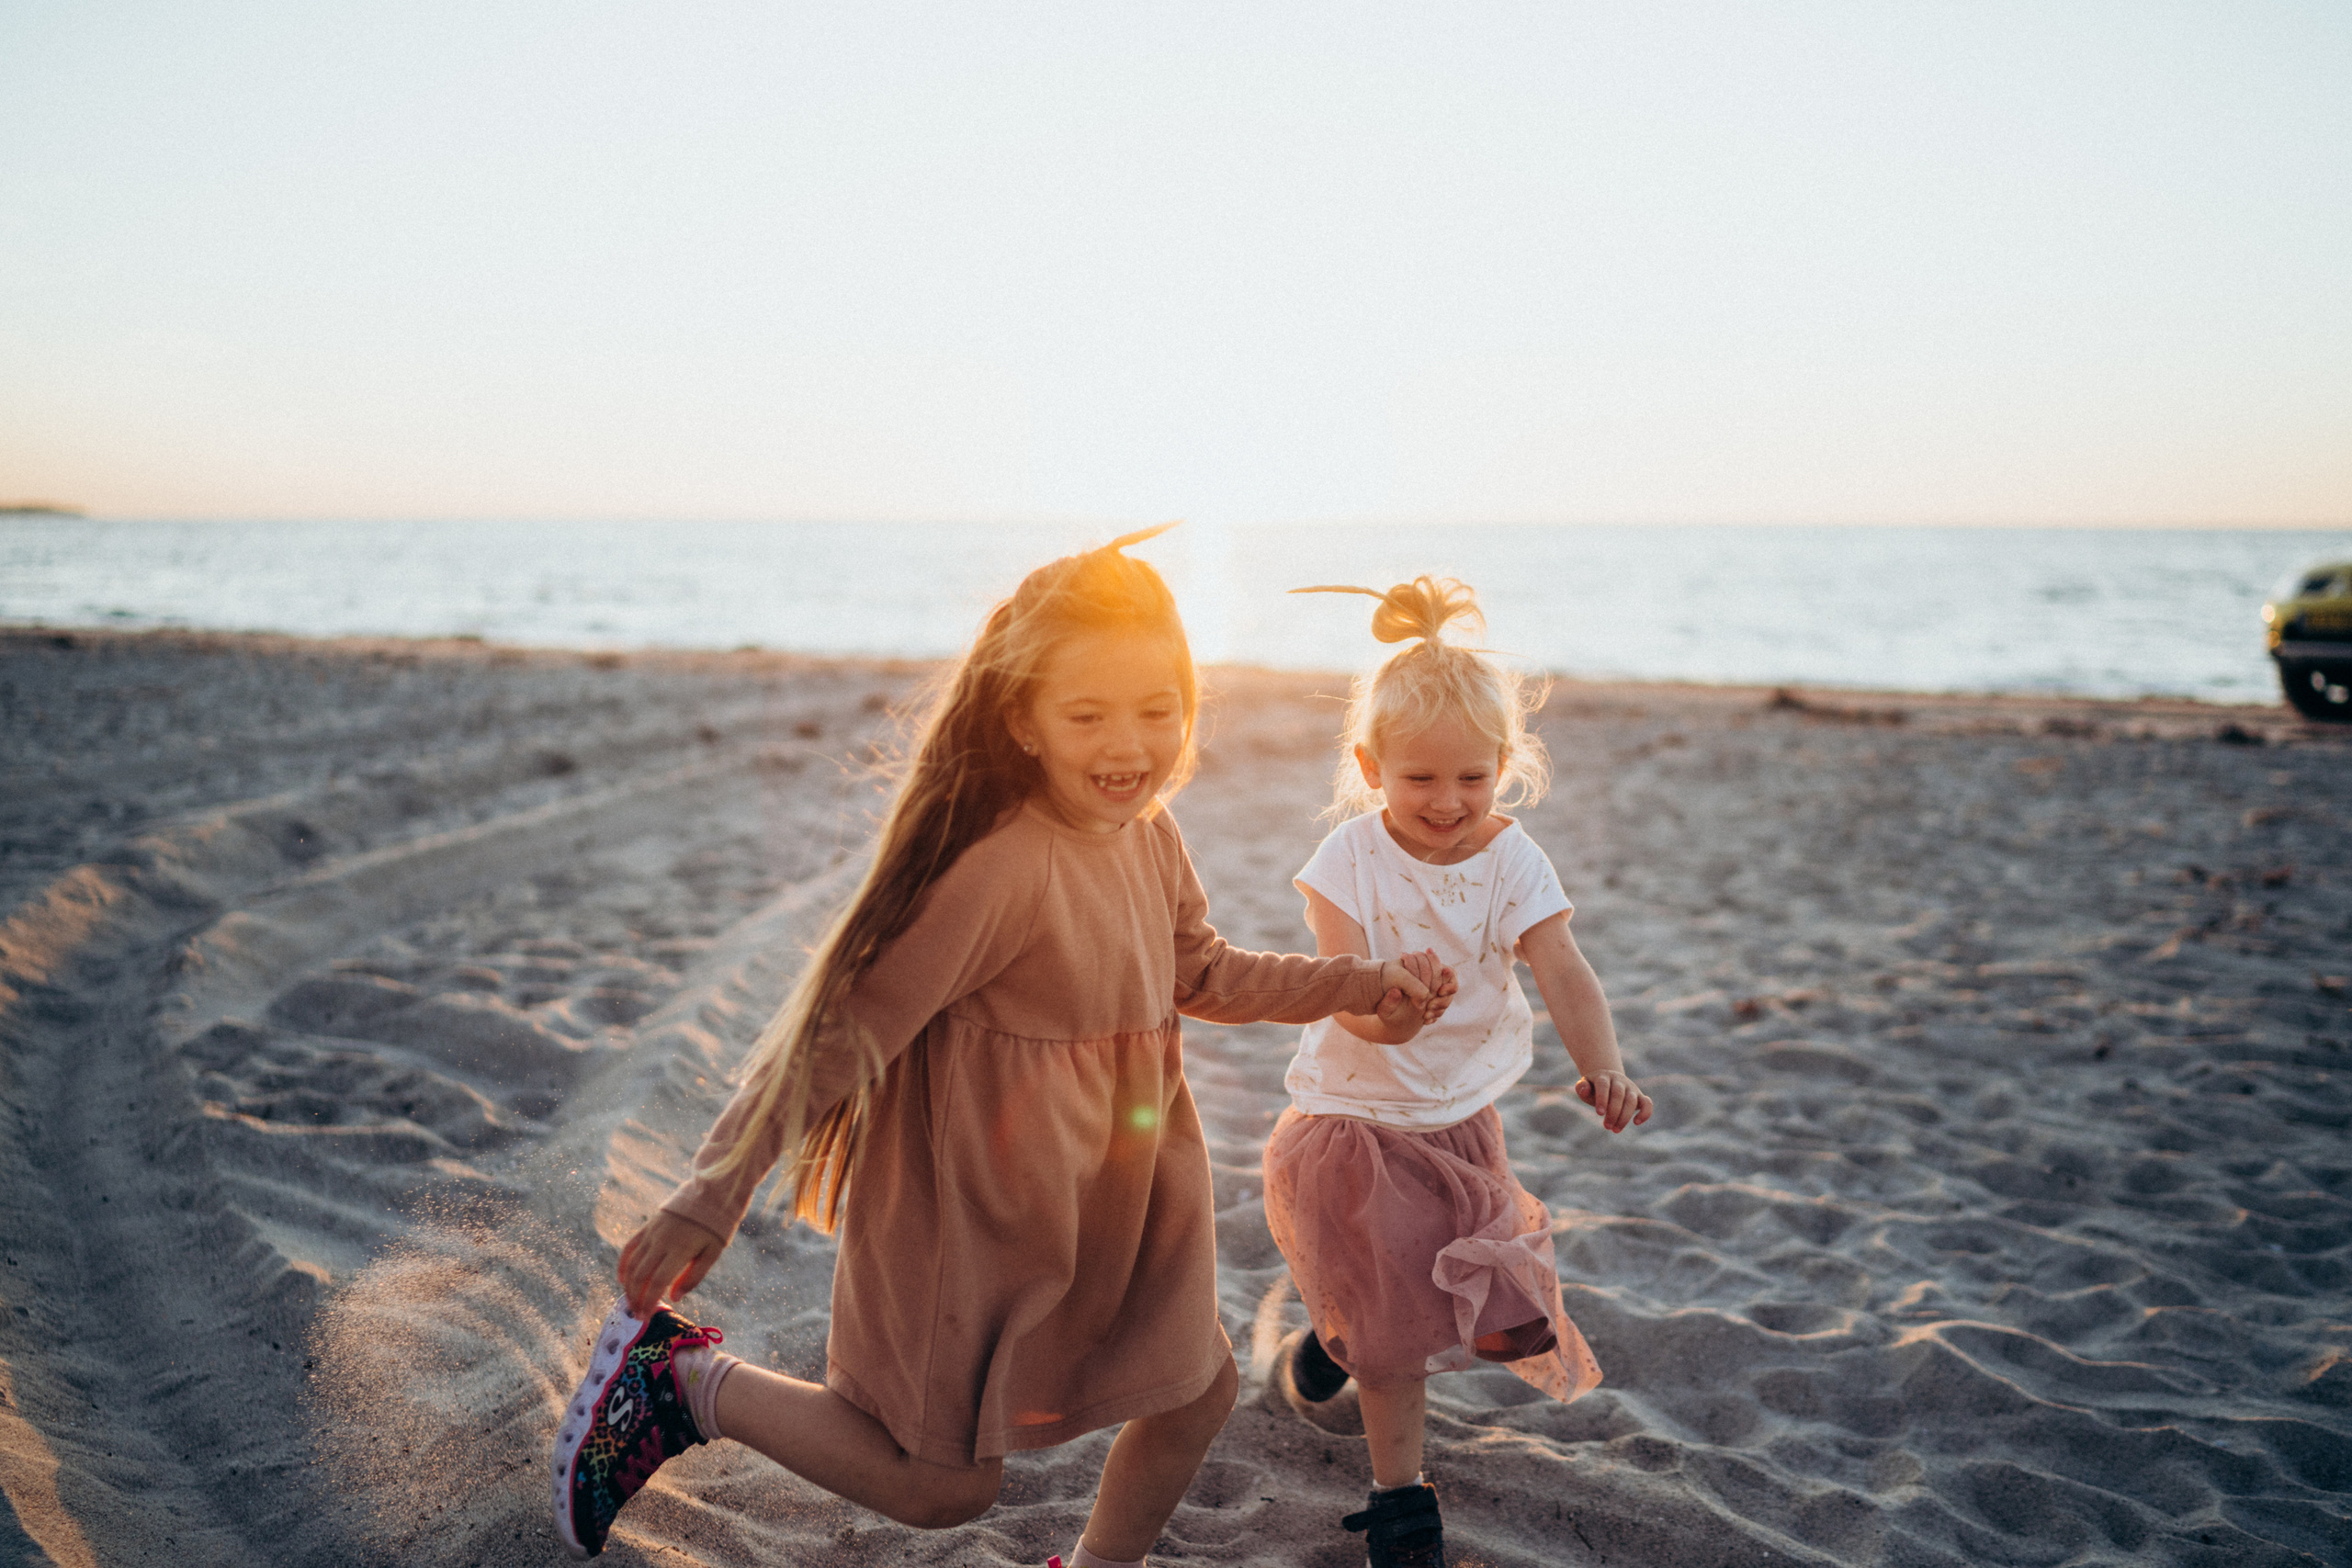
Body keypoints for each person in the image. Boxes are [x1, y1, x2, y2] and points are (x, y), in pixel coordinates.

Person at [550, 528, 1453, 1565]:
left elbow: (1199, 972)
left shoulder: (1149, 833)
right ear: (1023, 721)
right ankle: (682, 1384)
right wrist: (710, 1192)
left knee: (1196, 1388)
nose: (1130, 745)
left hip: (1112, 1199)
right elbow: (833, 1042)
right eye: (1088, 716)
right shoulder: (994, 866)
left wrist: (1358, 987)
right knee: (942, 1490)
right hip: (974, 1216)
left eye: (1158, 710)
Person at [1263, 576, 1654, 1568]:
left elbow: (1561, 965)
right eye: (1420, 780)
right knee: (1397, 1346)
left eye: (1473, 779)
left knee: (1485, 1318)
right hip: (1352, 1116)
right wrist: (1393, 1014)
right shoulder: (1344, 860)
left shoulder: (1515, 861)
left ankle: (1324, 1339)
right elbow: (1342, 993)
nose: (1447, 804)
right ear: (1370, 766)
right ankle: (1401, 1506)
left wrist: (1601, 1065)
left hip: (1458, 1114)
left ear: (1506, 767)